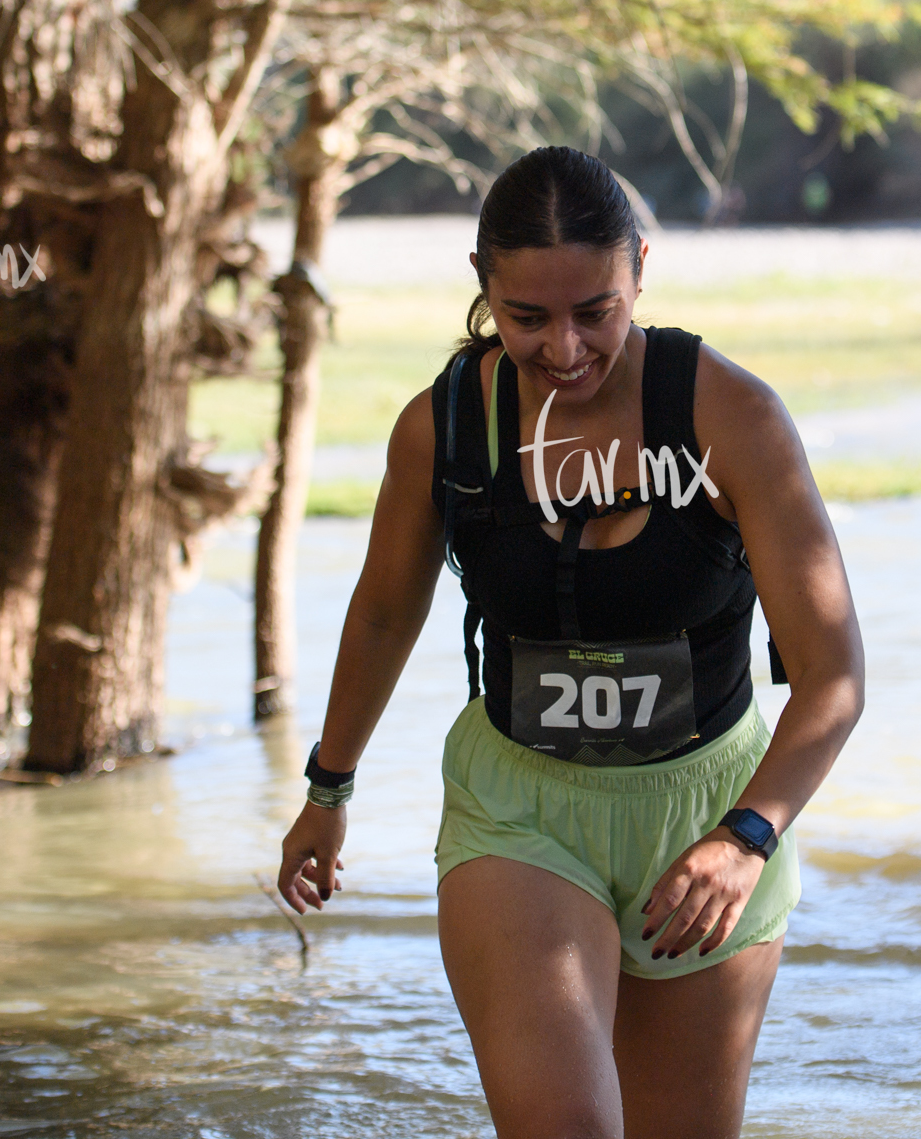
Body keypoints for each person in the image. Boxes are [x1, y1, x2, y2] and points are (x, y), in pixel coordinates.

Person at [274, 147, 866, 1139]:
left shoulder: (731, 416)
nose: (564, 350)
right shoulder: (445, 429)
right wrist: (327, 790)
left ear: (639, 267)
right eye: (526, 319)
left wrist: (746, 837)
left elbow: (833, 675)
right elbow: (383, 613)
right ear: (482, 288)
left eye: (595, 311)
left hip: (709, 810)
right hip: (520, 810)